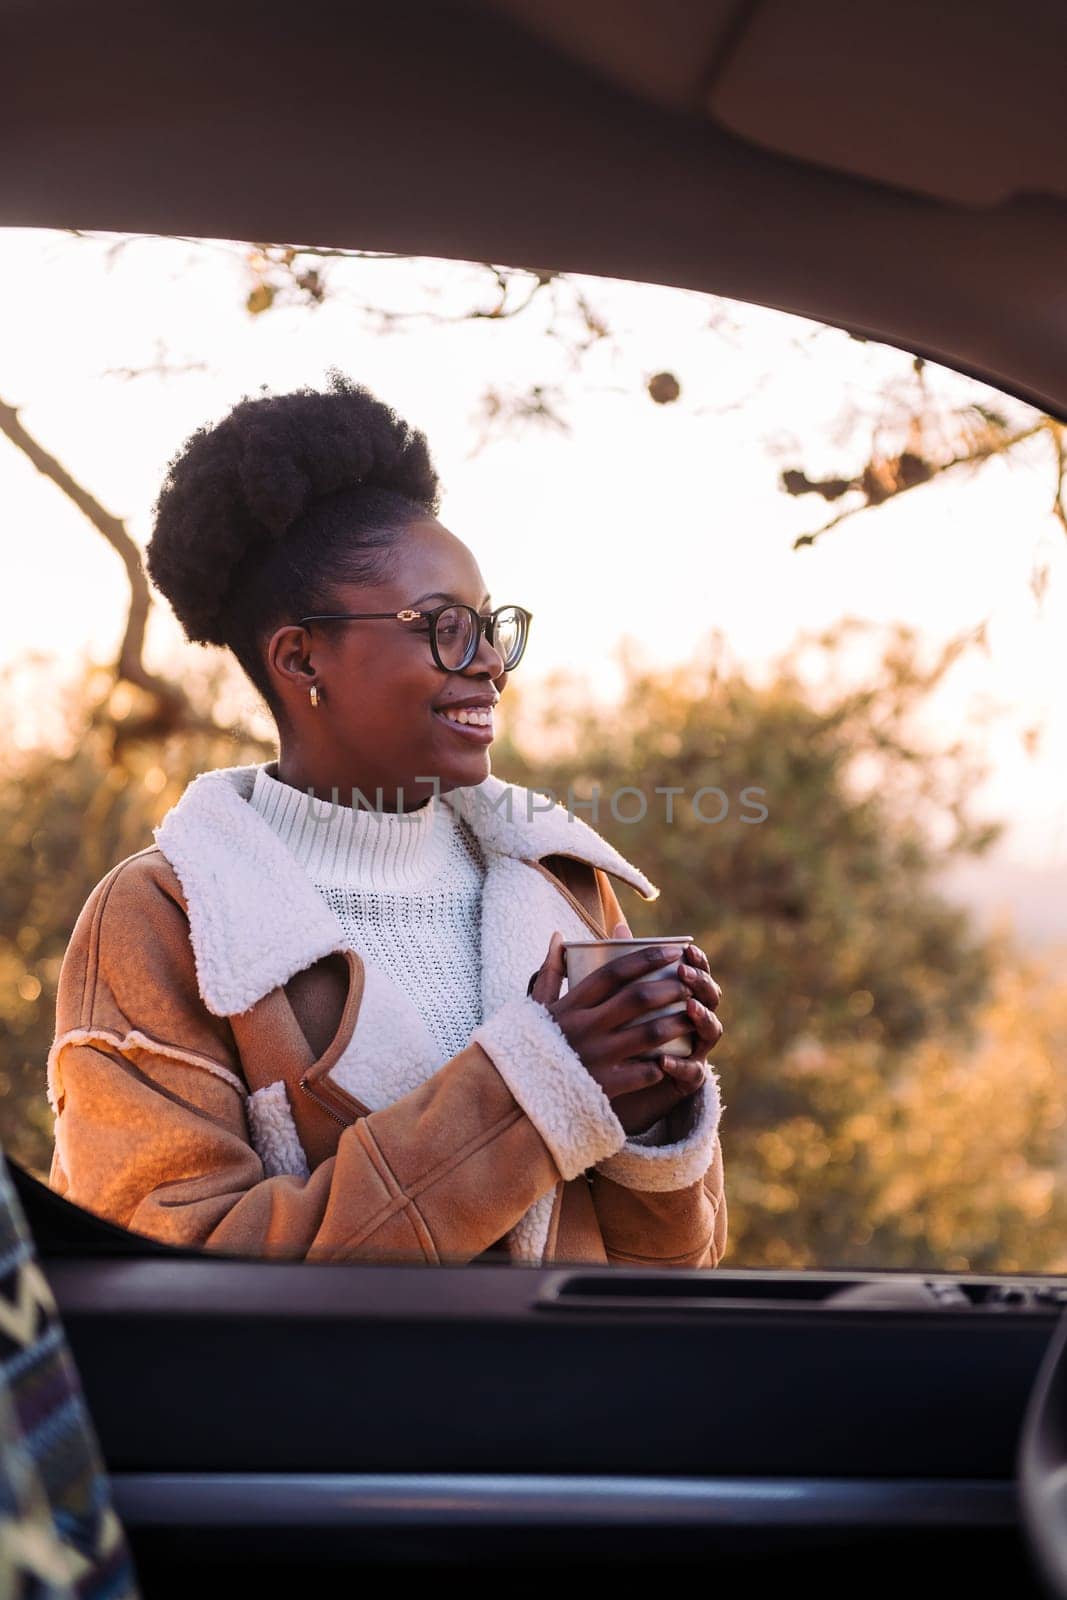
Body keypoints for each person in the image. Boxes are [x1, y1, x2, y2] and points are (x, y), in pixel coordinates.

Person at [46, 373, 727, 1267]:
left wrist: (645, 1115)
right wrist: (540, 1084)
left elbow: (672, 1272)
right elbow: (175, 1269)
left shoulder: (559, 885)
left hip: (570, 1401)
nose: (489, 663)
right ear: (301, 657)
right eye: (443, 627)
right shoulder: (166, 919)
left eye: (491, 627)